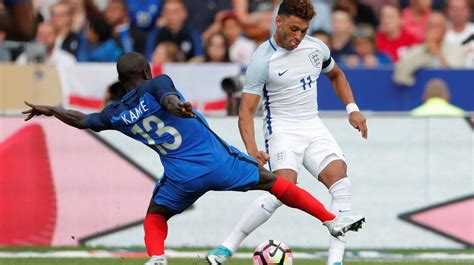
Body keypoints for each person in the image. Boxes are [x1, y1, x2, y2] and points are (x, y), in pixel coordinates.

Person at [23, 52, 365, 265]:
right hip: (217, 162)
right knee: (275, 183)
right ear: (145, 72)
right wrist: (178, 106)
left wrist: (52, 110)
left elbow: (83, 120)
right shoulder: (158, 83)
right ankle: (330, 219)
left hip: (179, 177)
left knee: (156, 216)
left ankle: (157, 258)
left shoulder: (115, 113)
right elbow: (167, 98)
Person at [206, 1, 368, 265]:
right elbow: (246, 112)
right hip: (281, 129)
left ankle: (335, 262)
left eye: (304, 31)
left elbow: (336, 75)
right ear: (278, 22)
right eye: (294, 29)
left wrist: (352, 108)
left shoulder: (316, 48)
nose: (298, 37)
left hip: (312, 125)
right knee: (283, 190)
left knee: (342, 184)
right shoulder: (262, 60)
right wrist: (252, 149)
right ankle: (227, 246)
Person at [394, 12, 466, 86]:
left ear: (445, 30)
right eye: (430, 26)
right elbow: (400, 75)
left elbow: (455, 77)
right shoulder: (416, 50)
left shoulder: (457, 49)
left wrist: (435, 51)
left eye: (437, 26)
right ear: (425, 29)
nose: (433, 30)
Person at [444, 0, 474, 67]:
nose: (458, 12)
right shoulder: (441, 32)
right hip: (448, 74)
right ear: (447, 11)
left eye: (462, 9)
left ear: (469, 11)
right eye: (454, 9)